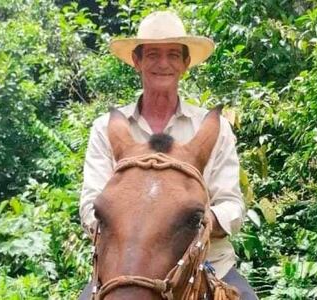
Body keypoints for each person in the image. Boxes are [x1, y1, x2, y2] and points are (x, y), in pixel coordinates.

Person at [79, 11, 258, 300]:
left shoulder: (214, 127)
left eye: (173, 55)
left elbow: (232, 205)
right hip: (121, 271)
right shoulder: (105, 128)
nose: (163, 64)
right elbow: (91, 205)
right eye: (152, 54)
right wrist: (133, 225)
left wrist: (199, 223)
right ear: (136, 61)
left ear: (186, 63)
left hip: (209, 265)